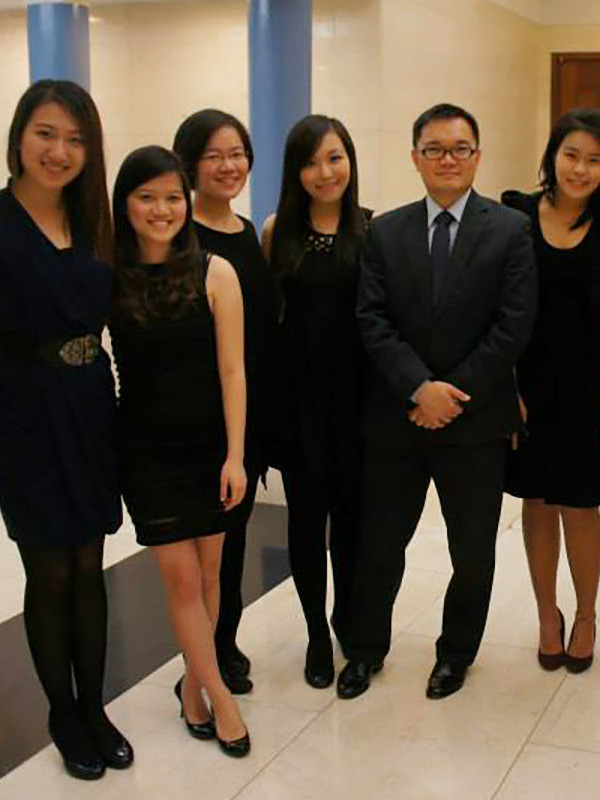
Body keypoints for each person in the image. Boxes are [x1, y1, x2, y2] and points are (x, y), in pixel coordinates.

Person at [0, 79, 130, 781]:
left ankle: (96, 707)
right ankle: (62, 712)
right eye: (46, 133)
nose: (60, 150)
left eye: (75, 139)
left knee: (89, 563)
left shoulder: (94, 219)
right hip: (22, 408)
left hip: (87, 401)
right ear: (19, 136)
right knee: (47, 567)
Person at [337, 103, 536, 701]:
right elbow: (371, 319)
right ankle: (365, 648)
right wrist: (417, 389)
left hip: (473, 423)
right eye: (434, 148)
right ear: (415, 156)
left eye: (459, 148)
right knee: (380, 545)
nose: (447, 159)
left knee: (471, 551)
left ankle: (456, 654)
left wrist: (451, 396)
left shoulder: (509, 230)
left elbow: (513, 325)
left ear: (477, 156)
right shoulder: (385, 230)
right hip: (398, 417)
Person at [109, 145, 251, 757]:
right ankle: (221, 697)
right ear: (125, 204)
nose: (162, 209)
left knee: (213, 572)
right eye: (147, 197)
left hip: (209, 450)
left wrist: (236, 455)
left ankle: (192, 685)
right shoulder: (108, 275)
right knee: (181, 579)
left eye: (172, 196)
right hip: (144, 451)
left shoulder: (216, 271)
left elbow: (233, 372)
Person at [501, 108, 600, 675]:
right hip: (528, 388)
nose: (580, 169)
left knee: (581, 506)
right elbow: (502, 309)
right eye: (571, 155)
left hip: (591, 390)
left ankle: (585, 615)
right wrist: (506, 388)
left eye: (593, 160)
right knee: (536, 503)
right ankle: (545, 616)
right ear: (551, 157)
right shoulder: (515, 217)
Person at [171, 108, 280, 695]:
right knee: (198, 547)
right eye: (213, 155)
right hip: (196, 413)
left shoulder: (251, 233)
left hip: (248, 411)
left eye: (236, 153)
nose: (228, 165)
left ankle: (223, 641)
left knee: (232, 538)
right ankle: (200, 657)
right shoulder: (176, 235)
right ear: (189, 163)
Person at [261, 114, 372, 689]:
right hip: (299, 403)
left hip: (357, 405)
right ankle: (312, 635)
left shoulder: (374, 231)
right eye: (311, 161)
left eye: (334, 157)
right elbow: (264, 322)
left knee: (353, 526)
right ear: (295, 171)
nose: (324, 172)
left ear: (350, 161)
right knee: (306, 526)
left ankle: (350, 625)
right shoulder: (277, 231)